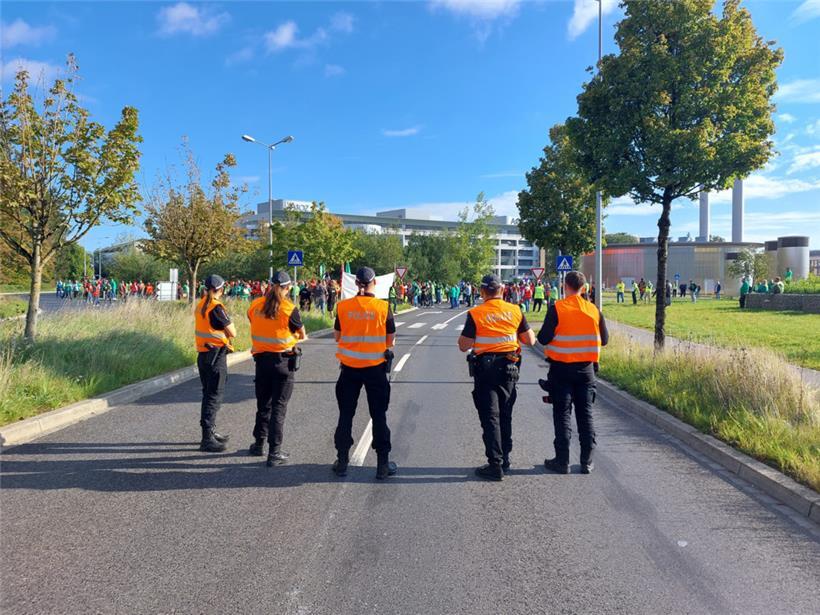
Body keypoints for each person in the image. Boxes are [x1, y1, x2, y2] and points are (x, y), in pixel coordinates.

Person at [458, 274, 536, 481]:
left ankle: (495, 464)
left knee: (490, 417)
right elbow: (530, 340)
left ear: (482, 292)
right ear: (502, 290)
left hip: (485, 370)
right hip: (510, 368)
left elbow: (463, 345)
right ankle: (506, 458)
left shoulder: (476, 313)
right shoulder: (515, 310)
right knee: (505, 413)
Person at [538, 271, 609, 475]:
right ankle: (586, 461)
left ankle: (562, 461)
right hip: (586, 371)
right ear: (583, 288)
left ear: (565, 286)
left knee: (562, 415)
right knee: (585, 415)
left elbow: (543, 338)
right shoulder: (594, 310)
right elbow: (604, 340)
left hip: (561, 370)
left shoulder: (557, 308)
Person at [332, 267, 397, 480]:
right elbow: (390, 340)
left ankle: (342, 461)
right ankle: (383, 465)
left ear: (356, 284)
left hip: (349, 370)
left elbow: (337, 336)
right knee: (378, 415)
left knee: (346, 414)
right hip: (375, 369)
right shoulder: (383, 307)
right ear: (374, 283)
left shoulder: (343, 307)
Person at [247, 272, 307, 466]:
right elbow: (302, 333)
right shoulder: (289, 309)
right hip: (283, 363)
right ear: (288, 288)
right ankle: (274, 453)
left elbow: (253, 322)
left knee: (263, 404)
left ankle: (258, 444)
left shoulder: (255, 305)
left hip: (261, 361)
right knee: (279, 407)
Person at [195, 274, 236, 453]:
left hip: (204, 354)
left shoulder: (201, 304)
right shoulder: (216, 307)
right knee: (213, 397)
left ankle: (210, 431)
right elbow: (232, 332)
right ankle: (207, 439)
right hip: (215, 356)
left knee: (208, 394)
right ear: (220, 289)